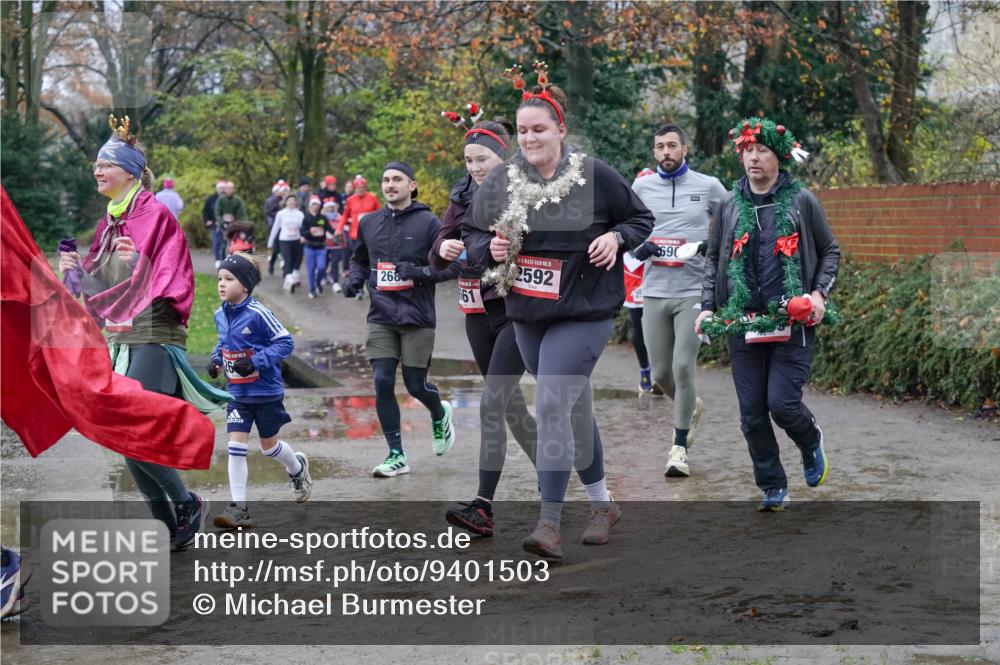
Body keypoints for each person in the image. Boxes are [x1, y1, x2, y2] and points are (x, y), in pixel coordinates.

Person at [463, 64, 654, 559]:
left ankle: (548, 523)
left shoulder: (593, 176)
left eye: (539, 128)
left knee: (550, 403)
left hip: (585, 311)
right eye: (522, 130)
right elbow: (471, 232)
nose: (529, 137)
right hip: (527, 312)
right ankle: (602, 503)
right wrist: (491, 250)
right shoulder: (503, 180)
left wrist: (615, 237)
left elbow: (640, 218)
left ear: (560, 130)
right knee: (572, 407)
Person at [58, 115, 230, 549]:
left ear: (131, 173)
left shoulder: (153, 213)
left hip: (153, 330)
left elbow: (168, 273)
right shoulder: (109, 221)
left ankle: (186, 502)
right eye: (96, 164)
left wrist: (138, 264)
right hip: (122, 334)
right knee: (124, 435)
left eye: (107, 164)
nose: (97, 171)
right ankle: (167, 523)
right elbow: (96, 286)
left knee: (133, 430)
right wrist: (72, 274)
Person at [695, 117, 839, 512]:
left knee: (782, 404)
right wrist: (707, 307)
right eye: (747, 150)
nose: (753, 158)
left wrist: (818, 293)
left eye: (762, 151)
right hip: (742, 322)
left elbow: (830, 251)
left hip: (793, 321)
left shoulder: (801, 200)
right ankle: (773, 484)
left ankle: (810, 440)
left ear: (779, 156)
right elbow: (713, 260)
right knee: (752, 415)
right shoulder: (728, 204)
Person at [432, 113, 537, 537]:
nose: (474, 168)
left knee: (493, 403)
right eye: (468, 160)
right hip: (476, 309)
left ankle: (483, 506)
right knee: (510, 408)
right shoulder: (460, 195)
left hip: (515, 307)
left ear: (502, 156)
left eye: (481, 159)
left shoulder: (524, 189)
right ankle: (560, 476)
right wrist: (446, 246)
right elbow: (436, 248)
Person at [342, 161, 460, 477]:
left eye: (397, 179)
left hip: (417, 316)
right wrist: (354, 278)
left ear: (412, 186)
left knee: (415, 385)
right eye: (385, 180)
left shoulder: (430, 224)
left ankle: (439, 411)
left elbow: (453, 267)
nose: (390, 184)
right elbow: (360, 260)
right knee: (382, 382)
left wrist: (420, 272)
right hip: (380, 314)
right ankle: (396, 454)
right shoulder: (368, 223)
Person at [631, 124, 727, 478]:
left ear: (685, 149)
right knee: (661, 374)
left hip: (695, 293)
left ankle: (679, 447)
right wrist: (642, 248)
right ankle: (691, 407)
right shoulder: (641, 187)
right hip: (655, 290)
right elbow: (628, 229)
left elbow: (734, 222)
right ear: (654, 152)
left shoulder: (709, 185)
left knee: (684, 367)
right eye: (660, 147)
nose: (666, 152)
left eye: (672, 145)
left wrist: (706, 246)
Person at [208, 253, 312, 528]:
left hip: (265, 393)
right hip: (237, 395)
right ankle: (238, 508)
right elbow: (223, 343)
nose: (221, 284)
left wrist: (254, 361)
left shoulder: (259, 314)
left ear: (245, 285)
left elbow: (285, 343)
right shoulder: (221, 314)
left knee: (269, 448)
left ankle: (297, 468)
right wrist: (216, 360)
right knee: (235, 446)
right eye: (220, 278)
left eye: (228, 279)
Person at [336, 175, 381, 299]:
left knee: (371, 260)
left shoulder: (372, 198)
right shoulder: (350, 200)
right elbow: (345, 216)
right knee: (358, 261)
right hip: (355, 235)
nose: (360, 189)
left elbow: (381, 213)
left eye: (362, 187)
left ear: (365, 187)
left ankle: (372, 285)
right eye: (358, 187)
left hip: (372, 235)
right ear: (355, 188)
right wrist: (339, 229)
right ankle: (359, 288)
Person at [268, 194, 304, 293]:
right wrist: (270, 241)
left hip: (297, 240)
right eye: (290, 200)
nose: (292, 202)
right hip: (284, 240)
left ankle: (293, 275)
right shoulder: (281, 213)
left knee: (297, 259)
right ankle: (289, 279)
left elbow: (303, 227)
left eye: (293, 200)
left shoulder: (299, 214)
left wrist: (303, 236)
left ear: (296, 202)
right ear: (286, 202)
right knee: (287, 259)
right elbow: (275, 227)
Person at [300, 196, 330, 298]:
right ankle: (312, 289)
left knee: (322, 267)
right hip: (309, 248)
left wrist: (336, 233)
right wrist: (309, 231)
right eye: (313, 204)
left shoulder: (323, 218)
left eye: (317, 204)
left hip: (321, 248)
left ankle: (318, 282)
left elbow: (329, 228)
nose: (315, 206)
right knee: (311, 270)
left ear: (319, 206)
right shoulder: (306, 218)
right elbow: (302, 232)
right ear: (310, 206)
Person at [214, 180, 250, 259]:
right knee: (223, 244)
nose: (230, 190)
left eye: (231, 188)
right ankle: (221, 260)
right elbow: (217, 213)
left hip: (235, 226)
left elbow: (242, 214)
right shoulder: (220, 200)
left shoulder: (238, 200)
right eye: (228, 188)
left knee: (237, 243)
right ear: (225, 189)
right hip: (223, 226)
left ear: (234, 190)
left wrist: (242, 224)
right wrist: (222, 222)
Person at [266, 180, 290, 275]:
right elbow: (269, 212)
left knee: (286, 249)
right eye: (283, 191)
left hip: (288, 228)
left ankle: (286, 270)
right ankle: (271, 264)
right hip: (277, 226)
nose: (285, 193)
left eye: (286, 191)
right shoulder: (275, 200)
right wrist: (280, 216)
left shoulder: (290, 200)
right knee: (276, 249)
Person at [321, 197, 345, 292]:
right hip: (324, 244)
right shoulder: (322, 218)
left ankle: (335, 282)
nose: (331, 208)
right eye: (329, 207)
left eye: (332, 207)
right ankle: (323, 277)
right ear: (325, 208)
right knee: (324, 263)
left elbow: (343, 229)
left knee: (335, 263)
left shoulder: (340, 217)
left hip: (336, 244)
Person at [203, 179, 226, 268]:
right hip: (214, 224)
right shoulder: (211, 199)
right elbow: (205, 211)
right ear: (216, 189)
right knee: (216, 242)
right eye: (219, 188)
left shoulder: (227, 199)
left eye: (222, 188)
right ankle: (217, 259)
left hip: (225, 225)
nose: (221, 190)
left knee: (224, 243)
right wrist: (207, 220)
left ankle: (224, 259)